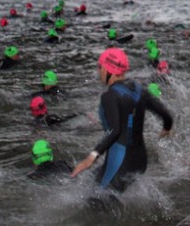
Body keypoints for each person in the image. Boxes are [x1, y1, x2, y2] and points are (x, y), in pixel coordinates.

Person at [71, 48, 173, 192]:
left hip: (120, 160)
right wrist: (166, 129)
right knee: (90, 181)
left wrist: (92, 157)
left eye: (100, 67)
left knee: (95, 198)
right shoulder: (138, 89)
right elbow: (166, 116)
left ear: (108, 69)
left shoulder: (109, 96)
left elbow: (115, 130)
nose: (98, 71)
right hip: (140, 161)